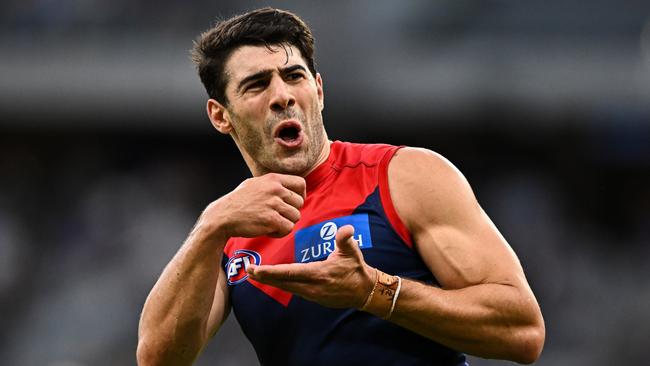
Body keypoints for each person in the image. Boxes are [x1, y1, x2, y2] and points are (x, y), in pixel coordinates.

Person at [137, 7, 545, 366]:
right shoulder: (231, 231)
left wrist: (373, 291)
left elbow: (523, 332)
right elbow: (158, 360)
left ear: (318, 89)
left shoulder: (404, 175)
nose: (282, 96)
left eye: (293, 76)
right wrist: (211, 225)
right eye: (257, 85)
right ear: (220, 116)